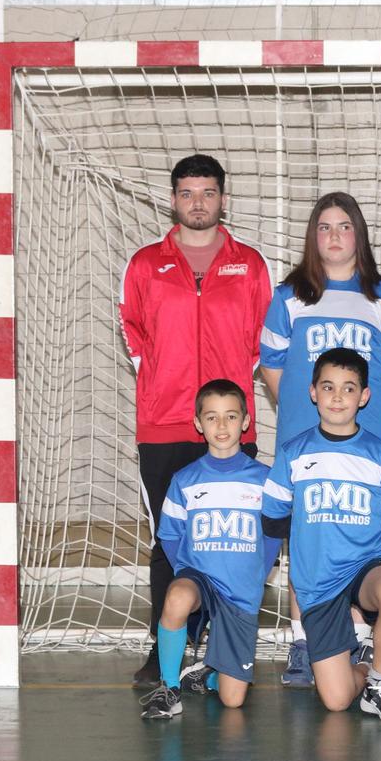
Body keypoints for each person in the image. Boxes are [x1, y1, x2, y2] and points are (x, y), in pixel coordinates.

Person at [118, 154, 271, 696]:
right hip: (163, 422)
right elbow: (132, 328)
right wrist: (158, 376)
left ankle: (222, 647)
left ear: (222, 199)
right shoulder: (143, 264)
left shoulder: (249, 264)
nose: (198, 203)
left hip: (230, 429)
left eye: (208, 193)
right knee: (170, 542)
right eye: (188, 193)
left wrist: (228, 397)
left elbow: (262, 336)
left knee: (232, 538)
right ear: (174, 199)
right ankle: (167, 649)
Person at [258, 192, 381, 688]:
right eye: (324, 227)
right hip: (305, 438)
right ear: (313, 236)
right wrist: (304, 412)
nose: (333, 236)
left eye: (344, 227)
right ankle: (303, 642)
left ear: (358, 234)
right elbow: (272, 365)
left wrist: (365, 409)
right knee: (306, 541)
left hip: (364, 440)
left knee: (360, 534)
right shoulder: (289, 296)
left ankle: (364, 634)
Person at [262, 348, 381, 723]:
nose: (337, 397)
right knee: (336, 701)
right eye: (328, 387)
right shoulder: (293, 453)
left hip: (366, 567)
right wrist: (311, 544)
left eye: (348, 389)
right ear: (313, 391)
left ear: (364, 396)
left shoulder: (380, 455)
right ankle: (367, 666)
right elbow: (272, 518)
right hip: (319, 584)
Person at [140, 380, 281, 722]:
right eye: (212, 417)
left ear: (246, 422)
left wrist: (255, 578)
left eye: (231, 417)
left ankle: (208, 673)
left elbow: (273, 535)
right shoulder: (185, 480)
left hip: (239, 592)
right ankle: (169, 687)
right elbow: (170, 536)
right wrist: (185, 574)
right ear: (198, 423)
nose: (222, 426)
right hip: (199, 580)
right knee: (176, 597)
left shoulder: (264, 480)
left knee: (232, 701)